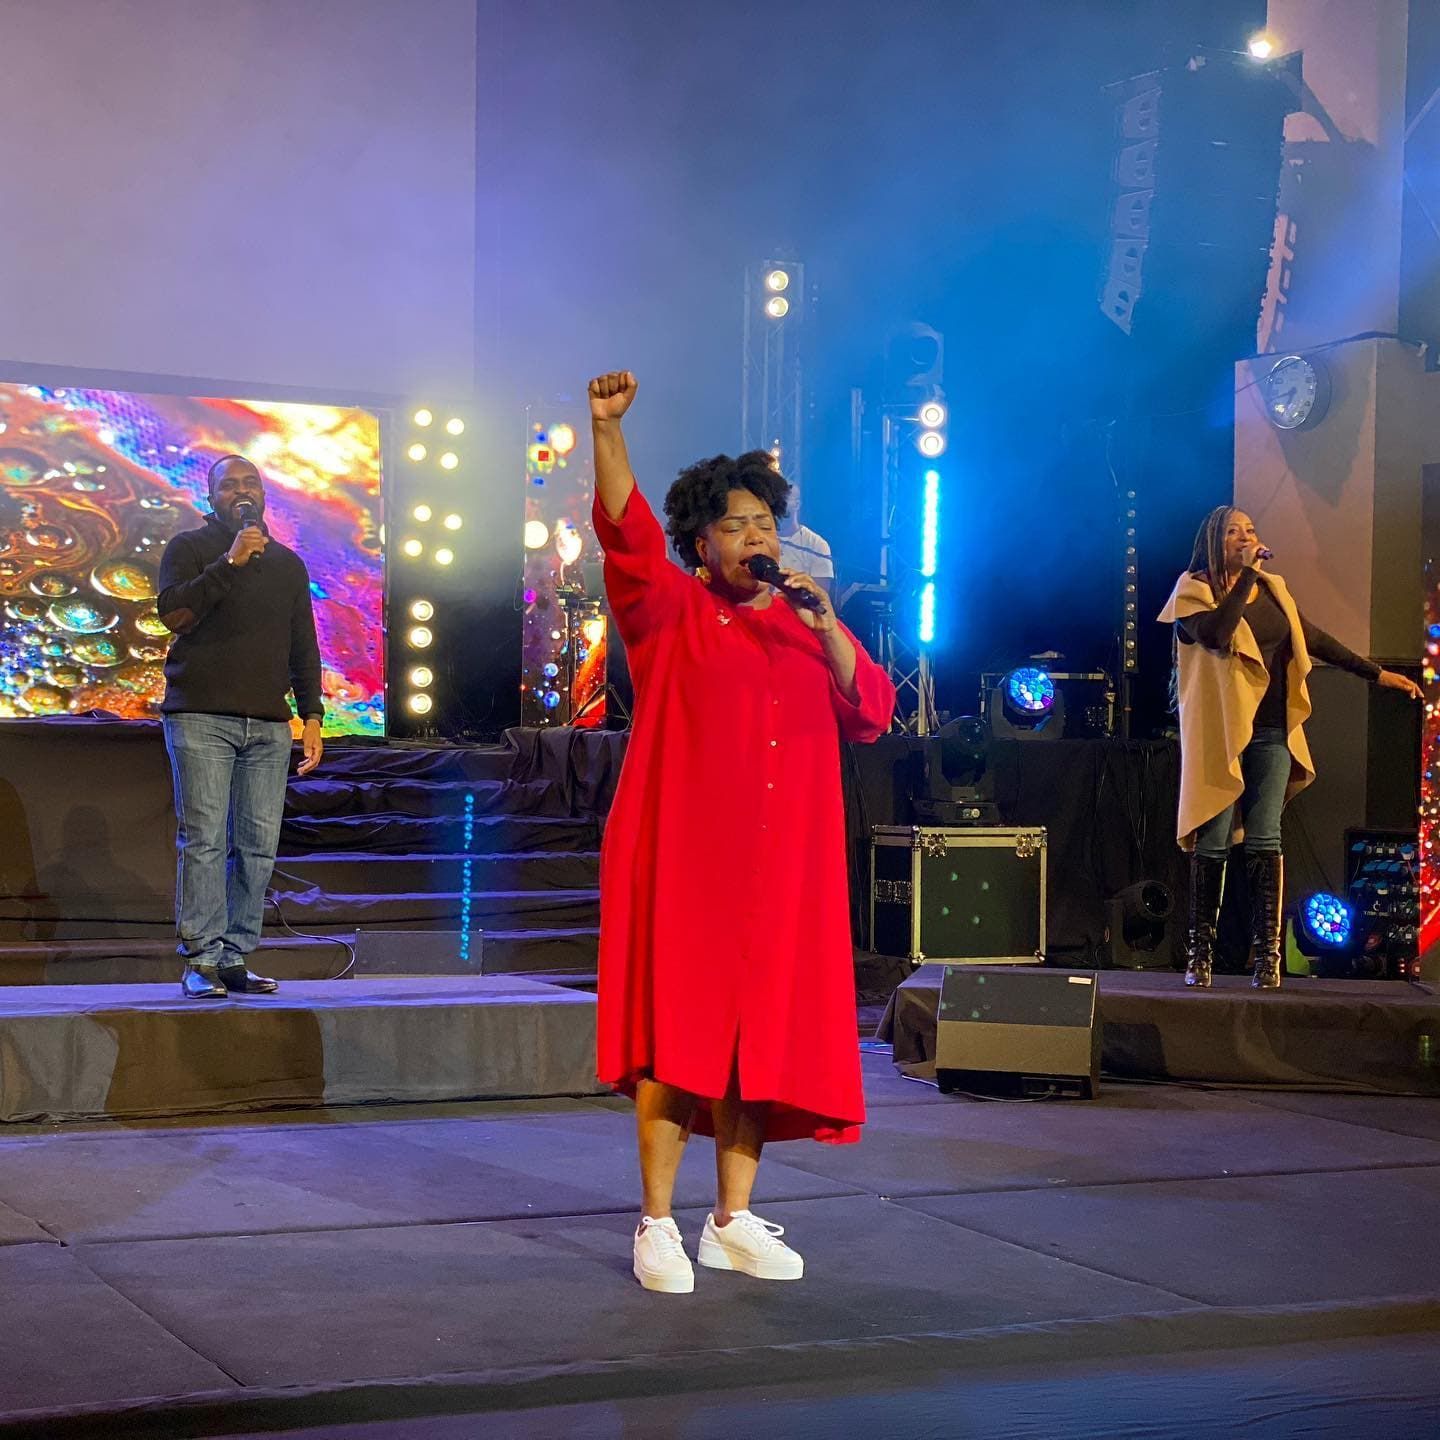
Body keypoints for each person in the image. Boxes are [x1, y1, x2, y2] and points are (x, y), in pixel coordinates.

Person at [588, 371, 895, 1294]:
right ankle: (655, 1223)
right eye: (735, 525)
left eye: (765, 522)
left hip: (782, 872)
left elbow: (872, 711)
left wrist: (829, 626)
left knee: (756, 1043)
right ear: (700, 545)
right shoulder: (671, 611)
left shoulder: (804, 626)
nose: (757, 537)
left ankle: (730, 1219)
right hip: (689, 862)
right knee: (676, 1038)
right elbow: (624, 530)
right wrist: (606, 432)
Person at [1159, 506, 1420, 990]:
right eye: (1234, 532)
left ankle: (1268, 957)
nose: (1246, 537)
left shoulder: (1273, 590)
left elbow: (1314, 639)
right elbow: (1217, 636)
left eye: (1251, 530)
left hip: (1273, 730)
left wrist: (1376, 674)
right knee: (1212, 841)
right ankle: (1200, 956)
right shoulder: (1191, 591)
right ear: (1214, 541)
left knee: (1265, 839)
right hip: (1219, 736)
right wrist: (1246, 575)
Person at [156, 455, 325, 1000]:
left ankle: (234, 955)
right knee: (204, 840)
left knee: (257, 846)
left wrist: (314, 716)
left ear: (264, 494)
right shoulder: (190, 549)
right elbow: (174, 615)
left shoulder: (288, 565)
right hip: (201, 716)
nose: (240, 491)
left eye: (249, 482)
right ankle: (200, 959)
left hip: (269, 724)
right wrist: (228, 563)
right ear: (211, 499)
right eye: (228, 485)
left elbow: (303, 645)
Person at [776, 480, 836, 604]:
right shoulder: (762, 540)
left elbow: (820, 595)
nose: (779, 502)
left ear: (797, 504)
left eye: (784, 497)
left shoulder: (816, 544)